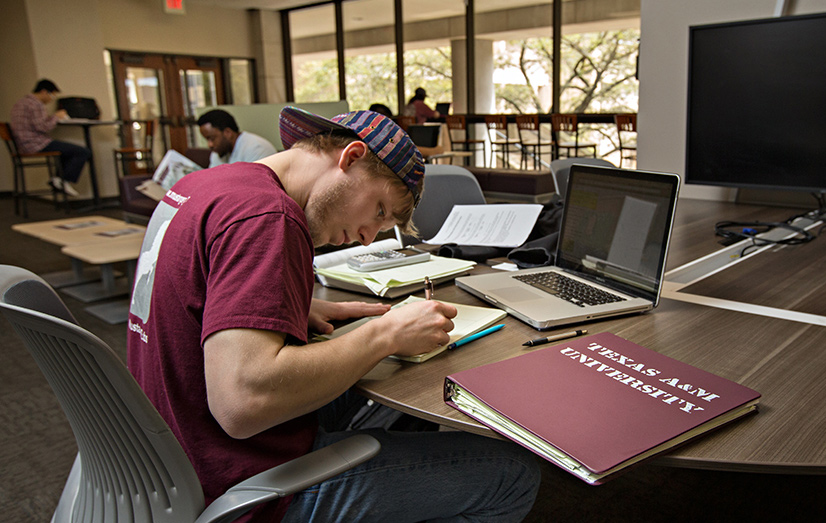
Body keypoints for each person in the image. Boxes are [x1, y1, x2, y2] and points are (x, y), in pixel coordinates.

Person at [127, 107, 540, 523]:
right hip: (241, 485)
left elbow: (187, 293)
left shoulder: (204, 185)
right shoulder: (269, 216)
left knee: (400, 386)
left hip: (167, 462)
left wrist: (289, 303)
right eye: (379, 211)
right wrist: (384, 335)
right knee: (514, 474)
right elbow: (242, 404)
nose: (367, 237)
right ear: (352, 157)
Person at [9, 79, 91, 197]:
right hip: (35, 143)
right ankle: (62, 180)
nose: (52, 98)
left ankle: (60, 180)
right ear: (44, 92)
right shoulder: (36, 104)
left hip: (22, 144)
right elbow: (43, 127)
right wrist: (56, 117)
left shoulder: (20, 103)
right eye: (52, 94)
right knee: (83, 151)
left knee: (66, 151)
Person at [197, 109, 277, 167]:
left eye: (212, 139)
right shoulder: (219, 152)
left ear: (228, 133)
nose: (209, 145)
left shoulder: (257, 149)